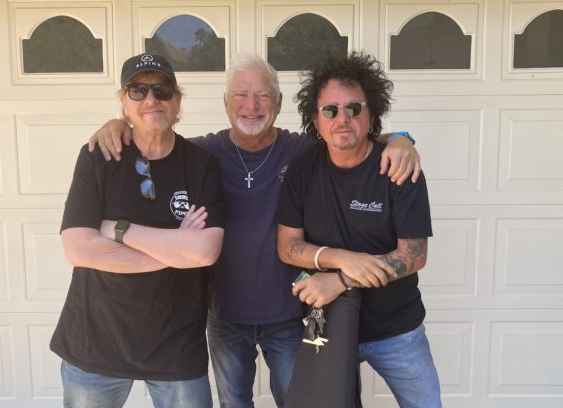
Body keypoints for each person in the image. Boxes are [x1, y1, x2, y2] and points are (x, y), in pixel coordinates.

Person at [89, 54, 422, 407]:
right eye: (240, 95)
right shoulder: (202, 153)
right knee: (234, 403)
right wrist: (117, 123)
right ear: (226, 103)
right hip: (225, 315)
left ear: (278, 104)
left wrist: (401, 139)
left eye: (263, 95)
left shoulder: (302, 150)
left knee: (299, 401)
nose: (252, 106)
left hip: (291, 314)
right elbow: (153, 140)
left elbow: (350, 138)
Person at [50, 53, 226, 408]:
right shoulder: (97, 157)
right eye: (138, 90)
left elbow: (204, 252)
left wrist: (119, 230)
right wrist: (175, 251)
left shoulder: (202, 164)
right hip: (95, 341)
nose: (151, 100)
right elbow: (78, 250)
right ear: (123, 102)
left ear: (177, 102)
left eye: (162, 90)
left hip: (176, 344)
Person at [276, 51, 441, 408]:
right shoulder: (302, 171)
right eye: (330, 110)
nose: (342, 119)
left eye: (354, 108)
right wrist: (341, 259)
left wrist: (341, 280)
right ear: (315, 120)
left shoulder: (398, 168)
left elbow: (414, 255)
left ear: (371, 114)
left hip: (396, 328)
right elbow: (288, 245)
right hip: (329, 328)